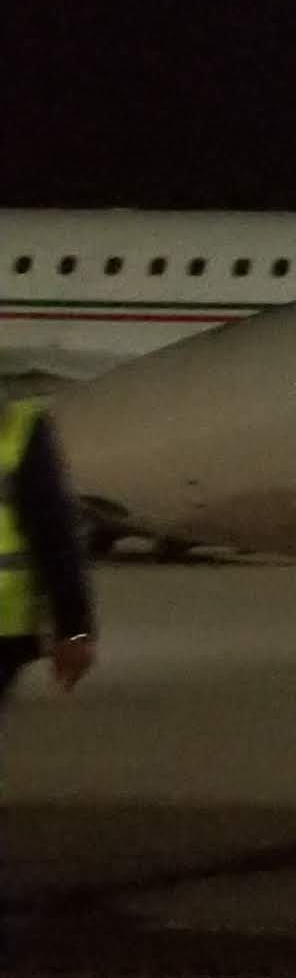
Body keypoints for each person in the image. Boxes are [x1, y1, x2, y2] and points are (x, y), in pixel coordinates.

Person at [3, 394, 104, 928]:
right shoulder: (19, 426)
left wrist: (73, 627)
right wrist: (74, 628)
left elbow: (53, 533)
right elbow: (56, 533)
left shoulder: (18, 427)